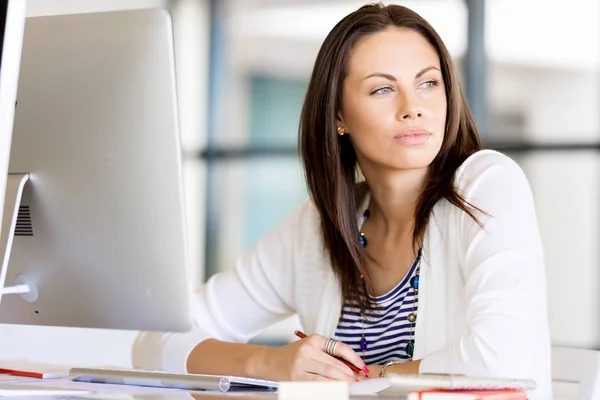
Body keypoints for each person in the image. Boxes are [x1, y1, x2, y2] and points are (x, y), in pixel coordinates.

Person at [133, 3, 552, 399]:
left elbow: (500, 360)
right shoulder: (319, 226)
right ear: (338, 116)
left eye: (428, 83)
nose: (414, 108)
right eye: (383, 89)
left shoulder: (485, 186)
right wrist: (269, 362)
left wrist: (366, 378)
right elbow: (156, 343)